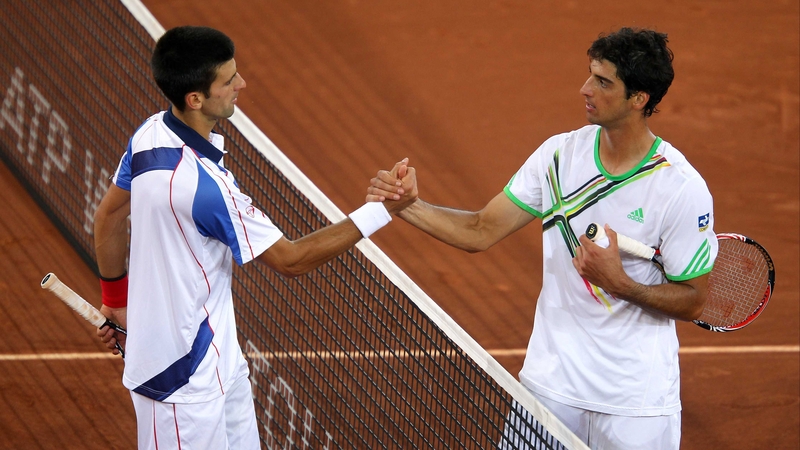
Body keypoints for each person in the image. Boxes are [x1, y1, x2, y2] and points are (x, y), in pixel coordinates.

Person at [367, 27, 717, 449]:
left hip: (634, 403)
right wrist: (407, 206)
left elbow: (695, 299)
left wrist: (619, 284)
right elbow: (481, 230)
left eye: (603, 82)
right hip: (550, 389)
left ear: (639, 98)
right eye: (590, 75)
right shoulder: (558, 156)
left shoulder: (679, 188)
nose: (585, 89)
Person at [93, 26, 416, 450]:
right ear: (196, 99)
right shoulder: (207, 189)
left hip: (222, 364)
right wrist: (382, 210)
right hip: (177, 387)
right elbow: (292, 259)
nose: (241, 84)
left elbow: (111, 214)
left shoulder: (150, 136)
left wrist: (115, 301)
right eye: (228, 81)